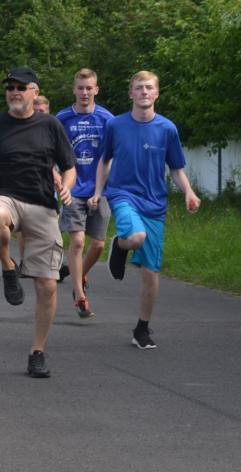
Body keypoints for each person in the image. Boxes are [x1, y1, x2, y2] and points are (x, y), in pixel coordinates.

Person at [0, 66, 76, 378]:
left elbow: (69, 166)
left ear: (34, 93)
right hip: (5, 197)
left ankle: (37, 352)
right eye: (10, 87)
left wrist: (66, 186)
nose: (14, 92)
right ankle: (8, 266)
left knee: (48, 286)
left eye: (21, 87)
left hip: (42, 205)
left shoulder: (50, 125)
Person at [89, 70, 200, 349]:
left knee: (151, 272)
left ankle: (142, 328)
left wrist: (188, 191)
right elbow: (105, 160)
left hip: (155, 203)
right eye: (138, 88)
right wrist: (98, 192)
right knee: (137, 237)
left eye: (149, 88)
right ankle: (123, 243)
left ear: (157, 93)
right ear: (131, 94)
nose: (144, 92)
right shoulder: (115, 125)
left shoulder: (167, 129)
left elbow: (176, 168)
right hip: (123, 194)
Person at [55, 68, 114, 319]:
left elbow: (110, 156)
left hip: (99, 189)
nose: (84, 93)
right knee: (77, 241)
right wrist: (57, 179)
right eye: (80, 88)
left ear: (96, 90)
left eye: (89, 88)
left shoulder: (107, 119)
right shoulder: (62, 118)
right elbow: (50, 152)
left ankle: (79, 273)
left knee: (98, 245)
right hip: (73, 189)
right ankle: (79, 296)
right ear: (74, 90)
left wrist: (99, 190)